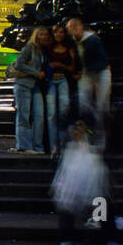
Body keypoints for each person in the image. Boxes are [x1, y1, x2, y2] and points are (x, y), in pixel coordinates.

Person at [51, 119, 109, 245]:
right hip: (72, 181)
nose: (77, 132)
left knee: (99, 201)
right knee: (67, 204)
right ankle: (67, 236)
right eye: (75, 130)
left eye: (79, 130)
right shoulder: (70, 147)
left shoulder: (90, 148)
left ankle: (99, 236)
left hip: (88, 177)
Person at [67, 16, 111, 145]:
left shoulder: (91, 40)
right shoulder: (74, 41)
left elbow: (100, 61)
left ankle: (100, 137)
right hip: (88, 73)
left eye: (74, 27)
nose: (72, 30)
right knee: (84, 104)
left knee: (101, 106)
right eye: (70, 28)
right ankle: (86, 135)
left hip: (98, 72)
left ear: (80, 27)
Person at [8, 26, 51, 154]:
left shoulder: (43, 51)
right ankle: (24, 146)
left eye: (46, 35)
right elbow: (19, 64)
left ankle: (37, 146)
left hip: (35, 86)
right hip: (24, 84)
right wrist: (36, 73)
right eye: (41, 34)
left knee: (39, 116)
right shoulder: (29, 48)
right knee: (24, 115)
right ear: (36, 36)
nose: (44, 37)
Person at [45, 23, 78, 155]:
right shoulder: (48, 48)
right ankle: (54, 145)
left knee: (63, 112)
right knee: (52, 114)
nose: (59, 35)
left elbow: (72, 68)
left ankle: (63, 144)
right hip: (51, 80)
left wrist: (60, 65)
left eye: (61, 32)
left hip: (63, 79)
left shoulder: (69, 49)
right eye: (56, 32)